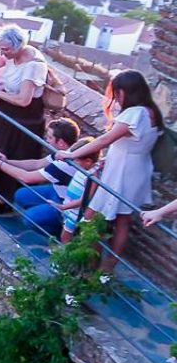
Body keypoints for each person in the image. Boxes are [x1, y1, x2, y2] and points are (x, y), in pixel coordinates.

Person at [59, 69, 163, 270]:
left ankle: (90, 267)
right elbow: (133, 144)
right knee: (123, 220)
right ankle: (107, 268)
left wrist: (72, 154)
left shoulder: (134, 113)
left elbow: (105, 140)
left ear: (124, 92)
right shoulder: (152, 112)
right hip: (138, 170)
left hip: (121, 172)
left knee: (91, 219)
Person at [0, 25, 49, 211]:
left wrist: (0, 94)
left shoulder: (34, 64)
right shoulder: (9, 55)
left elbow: (24, 100)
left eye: (6, 49)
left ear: (19, 46)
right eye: (2, 48)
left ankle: (3, 200)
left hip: (25, 116)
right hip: (6, 111)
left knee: (12, 154)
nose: (3, 52)